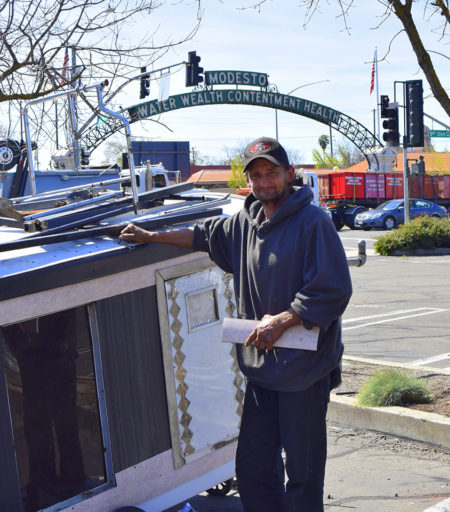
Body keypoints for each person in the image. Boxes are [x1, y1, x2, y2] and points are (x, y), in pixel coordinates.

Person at [119, 136, 352, 512]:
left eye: (271, 173)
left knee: (304, 475)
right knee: (254, 468)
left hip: (304, 375)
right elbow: (200, 236)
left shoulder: (314, 223)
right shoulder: (245, 223)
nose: (263, 182)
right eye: (256, 175)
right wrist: (151, 236)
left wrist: (283, 319)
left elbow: (333, 289)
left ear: (289, 174)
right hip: (262, 373)